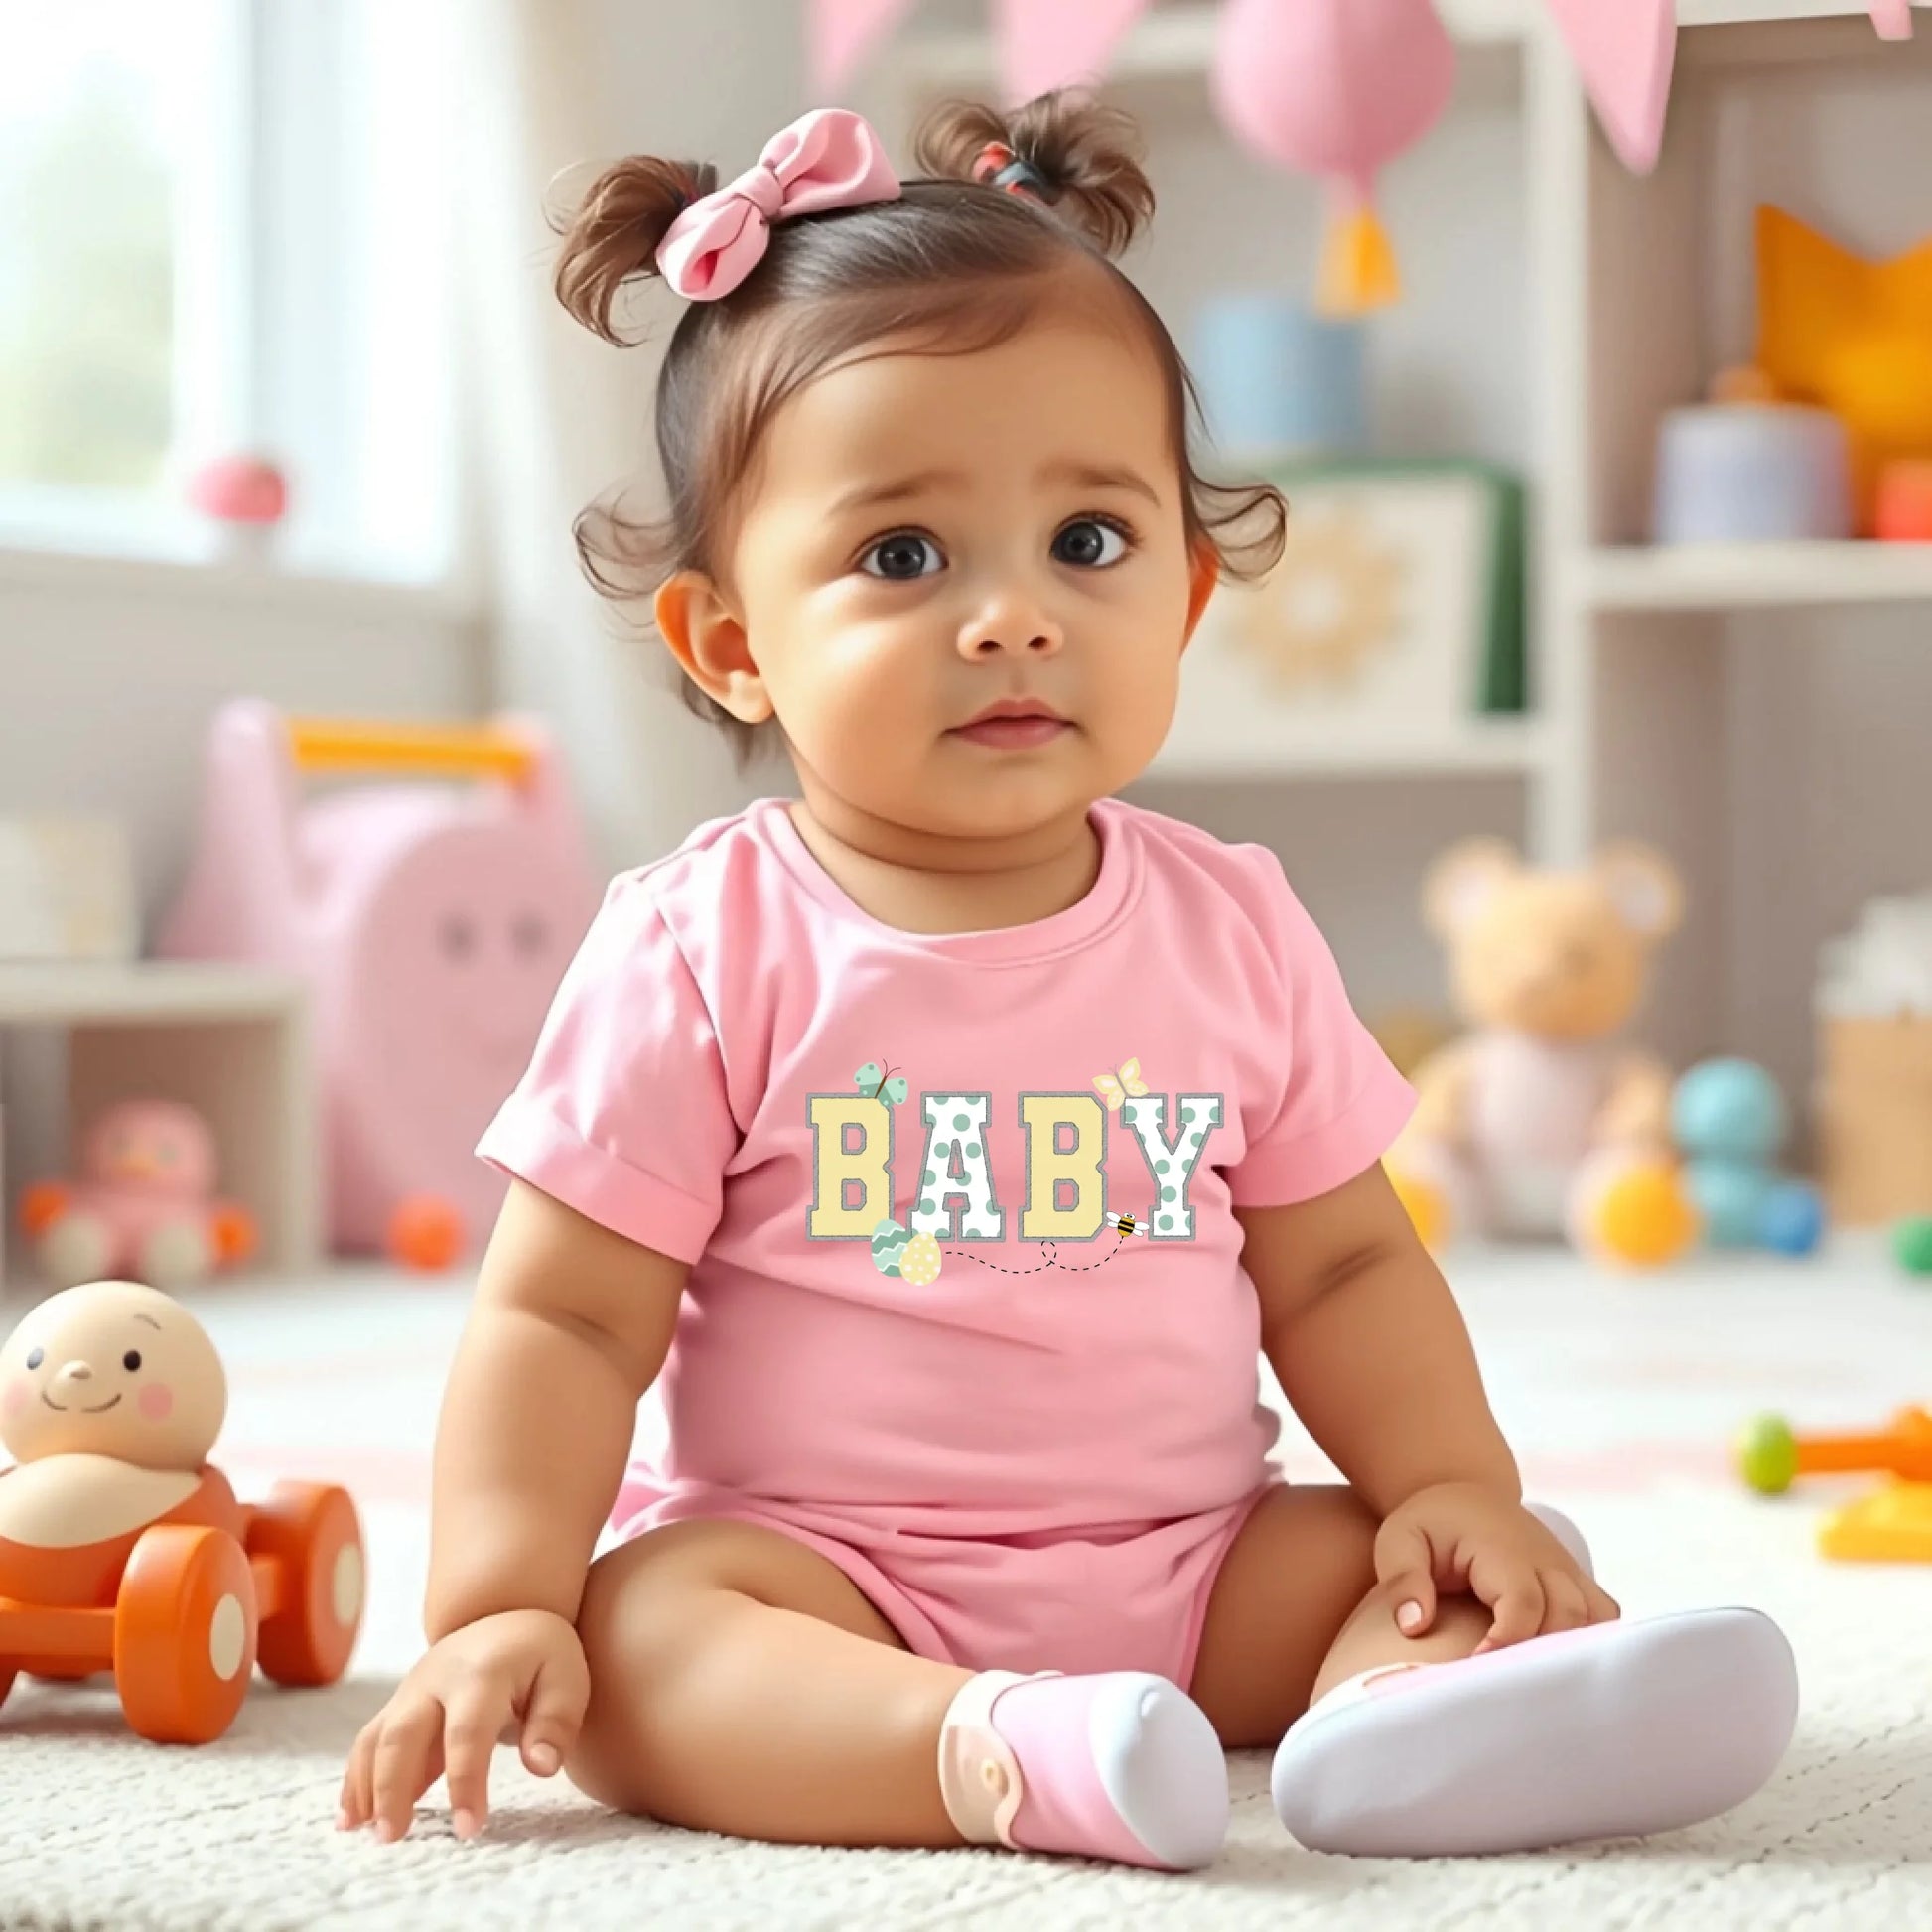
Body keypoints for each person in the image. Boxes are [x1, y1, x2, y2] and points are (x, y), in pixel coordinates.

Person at [338, 95, 1797, 1867]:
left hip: (1189, 1561)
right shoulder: (698, 940)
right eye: (901, 557)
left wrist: (1446, 1489)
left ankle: (1393, 1718)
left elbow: (1339, 1260)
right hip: (826, 1571)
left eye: (1086, 545)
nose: (1012, 616)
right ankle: (999, 1754)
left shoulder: (1230, 920)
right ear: (731, 646)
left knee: (1425, 1556)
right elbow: (564, 1316)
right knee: (635, 1644)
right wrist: (495, 1599)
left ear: (1184, 596)